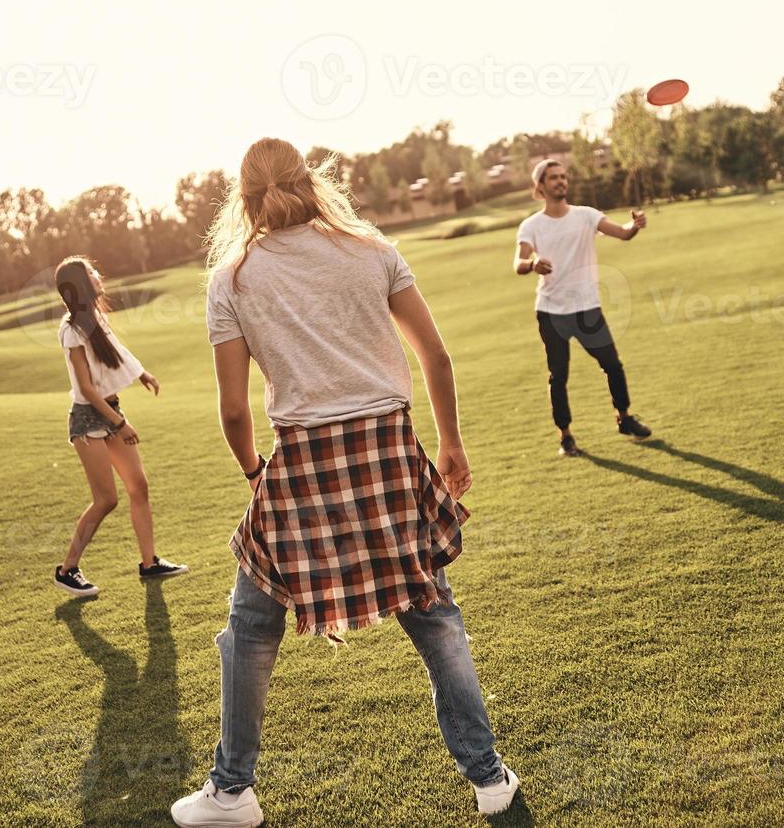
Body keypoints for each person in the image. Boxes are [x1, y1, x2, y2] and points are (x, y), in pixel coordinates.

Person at [170, 138, 518, 827]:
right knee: (434, 614)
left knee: (250, 627)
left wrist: (253, 475)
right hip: (388, 450)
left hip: (301, 461)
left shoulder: (232, 279)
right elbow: (436, 357)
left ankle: (232, 792)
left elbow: (235, 409)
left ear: (242, 201)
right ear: (311, 182)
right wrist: (448, 442)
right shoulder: (370, 248)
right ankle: (488, 779)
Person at [52, 256, 187, 597]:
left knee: (138, 486)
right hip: (89, 419)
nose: (99, 275)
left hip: (111, 411)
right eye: (91, 272)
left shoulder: (96, 318)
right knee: (106, 499)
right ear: (81, 284)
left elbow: (116, 351)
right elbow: (85, 388)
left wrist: (141, 373)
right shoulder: (71, 330)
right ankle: (67, 570)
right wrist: (120, 423)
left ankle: (149, 563)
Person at [514, 158, 652, 457]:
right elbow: (519, 263)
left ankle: (625, 418)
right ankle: (565, 436)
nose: (561, 181)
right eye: (553, 178)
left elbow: (623, 233)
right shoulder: (532, 226)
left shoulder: (586, 216)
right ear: (541, 186)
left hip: (587, 308)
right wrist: (533, 263)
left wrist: (635, 225)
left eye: (563, 176)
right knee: (558, 375)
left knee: (613, 365)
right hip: (551, 311)